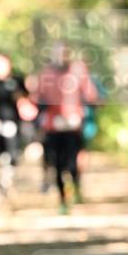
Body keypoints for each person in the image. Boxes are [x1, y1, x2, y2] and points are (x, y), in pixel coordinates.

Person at [32, 44, 98, 214]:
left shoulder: (78, 70)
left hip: (73, 125)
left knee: (72, 163)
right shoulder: (46, 73)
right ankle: (62, 199)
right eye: (58, 53)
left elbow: (90, 94)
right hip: (53, 126)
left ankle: (75, 186)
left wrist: (87, 106)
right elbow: (38, 97)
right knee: (57, 164)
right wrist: (40, 111)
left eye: (65, 53)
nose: (62, 57)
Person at [0, 52, 28, 192]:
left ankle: (9, 176)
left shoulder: (17, 80)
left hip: (12, 122)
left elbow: (25, 101)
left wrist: (17, 92)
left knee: (13, 152)